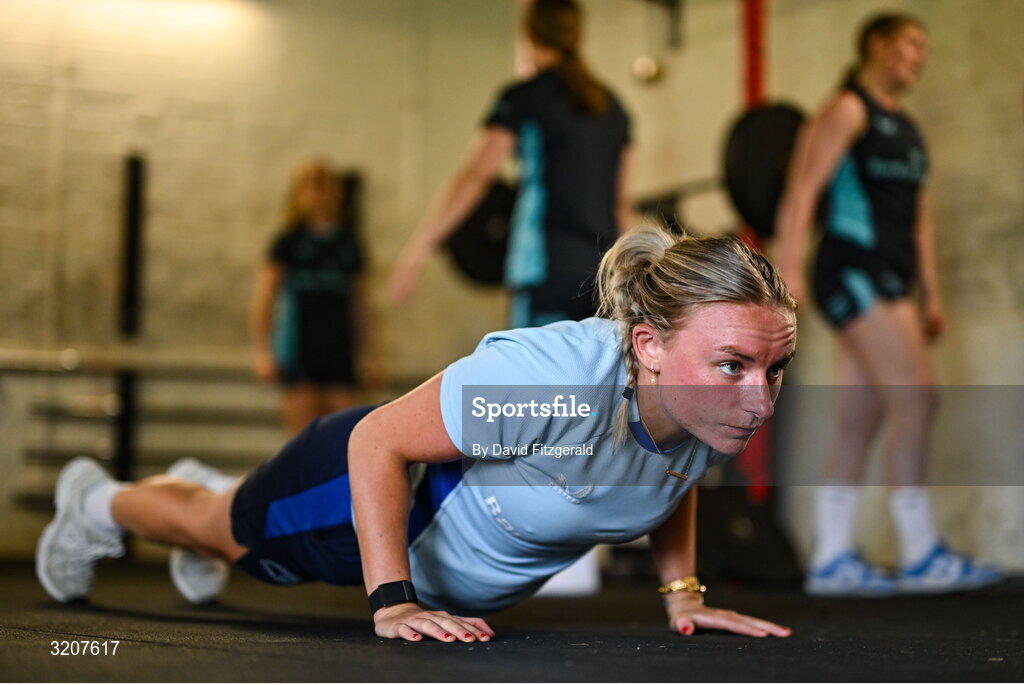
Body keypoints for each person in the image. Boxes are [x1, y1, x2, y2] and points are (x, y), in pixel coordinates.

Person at [36, 225, 796, 641]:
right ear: (648, 347)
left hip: (435, 556)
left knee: (228, 519)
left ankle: (210, 493)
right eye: (734, 365)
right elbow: (378, 443)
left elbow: (665, 479)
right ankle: (96, 502)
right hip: (369, 493)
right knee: (224, 534)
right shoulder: (551, 380)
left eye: (776, 368)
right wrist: (392, 602)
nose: (760, 400)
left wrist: (682, 593)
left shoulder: (703, 408)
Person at [773, 12, 1001, 596]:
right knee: (917, 400)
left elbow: (919, 217)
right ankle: (921, 552)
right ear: (876, 45)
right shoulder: (848, 110)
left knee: (862, 415)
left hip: (894, 277)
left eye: (925, 48)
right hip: (853, 268)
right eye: (910, 45)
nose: (919, 58)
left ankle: (830, 558)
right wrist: (788, 268)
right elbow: (803, 186)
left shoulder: (910, 130)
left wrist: (932, 291)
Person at [390, 0, 632, 328]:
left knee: (533, 377)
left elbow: (477, 176)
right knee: (587, 378)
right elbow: (621, 203)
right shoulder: (613, 107)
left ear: (530, 36)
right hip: (603, 273)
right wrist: (632, 274)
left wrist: (417, 252)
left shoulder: (524, 98)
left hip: (544, 269)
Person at [251, 159, 374, 435]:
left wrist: (369, 355)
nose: (318, 194)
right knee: (303, 431)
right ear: (297, 194)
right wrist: (262, 351)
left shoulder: (348, 243)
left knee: (345, 428)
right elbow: (264, 298)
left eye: (324, 185)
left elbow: (362, 304)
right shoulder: (288, 242)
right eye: (310, 186)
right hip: (300, 346)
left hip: (339, 346)